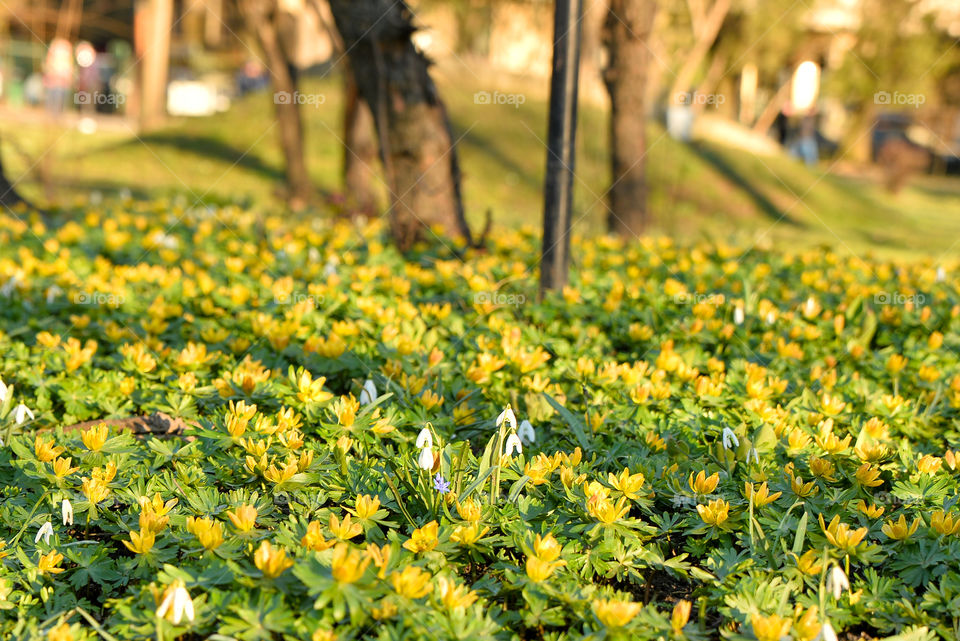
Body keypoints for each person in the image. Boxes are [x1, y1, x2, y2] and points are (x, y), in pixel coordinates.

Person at [44, 38, 74, 117]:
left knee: (61, 100)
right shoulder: (52, 58)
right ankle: (51, 116)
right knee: (52, 99)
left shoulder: (67, 59)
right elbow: (49, 67)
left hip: (63, 82)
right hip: (54, 81)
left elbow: (69, 70)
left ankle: (58, 116)